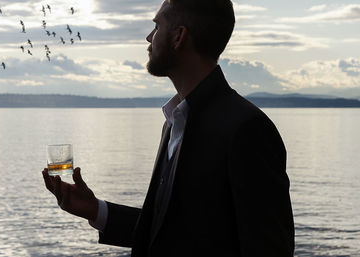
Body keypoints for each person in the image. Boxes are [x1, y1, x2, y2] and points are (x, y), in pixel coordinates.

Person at [42, 0, 295, 256]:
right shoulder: (174, 121)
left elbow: (270, 247)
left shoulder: (247, 129)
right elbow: (172, 232)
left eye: (157, 25)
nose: (149, 37)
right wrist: (96, 210)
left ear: (179, 36)